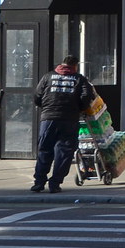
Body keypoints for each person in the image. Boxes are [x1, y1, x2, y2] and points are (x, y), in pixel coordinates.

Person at [32, 55, 95, 193]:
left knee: (44, 149)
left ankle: (39, 182)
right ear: (75, 66)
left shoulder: (48, 77)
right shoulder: (79, 79)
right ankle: (55, 183)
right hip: (69, 119)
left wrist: (46, 107)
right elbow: (86, 97)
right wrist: (79, 108)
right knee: (64, 152)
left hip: (48, 118)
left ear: (62, 64)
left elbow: (37, 96)